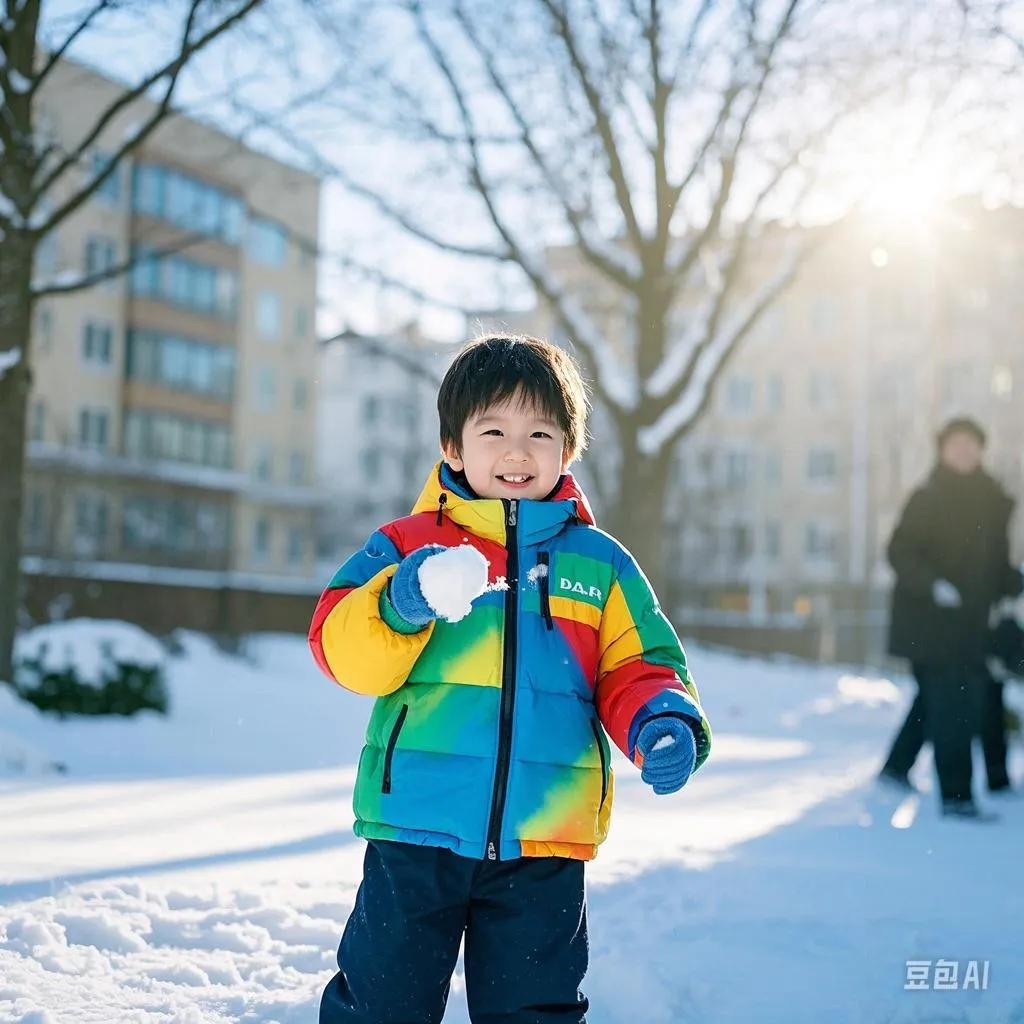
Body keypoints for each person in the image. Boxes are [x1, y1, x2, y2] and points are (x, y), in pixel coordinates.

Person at [308, 334, 712, 1023]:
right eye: (493, 430)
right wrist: (401, 603)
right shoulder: (409, 546)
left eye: (540, 433)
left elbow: (639, 663)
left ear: (568, 448)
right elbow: (341, 649)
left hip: (543, 841)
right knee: (382, 1002)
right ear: (454, 447)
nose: (517, 452)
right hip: (416, 826)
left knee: (536, 1009)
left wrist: (661, 720)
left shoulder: (599, 565)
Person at [880, 417, 1023, 820]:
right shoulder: (928, 497)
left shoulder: (991, 499)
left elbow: (993, 567)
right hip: (930, 624)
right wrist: (933, 585)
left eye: (971, 444)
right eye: (955, 445)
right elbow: (900, 552)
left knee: (934, 702)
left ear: (981, 450)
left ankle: (895, 769)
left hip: (972, 625)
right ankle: (957, 797)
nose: (963, 451)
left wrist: (1015, 581)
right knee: (954, 706)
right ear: (942, 450)